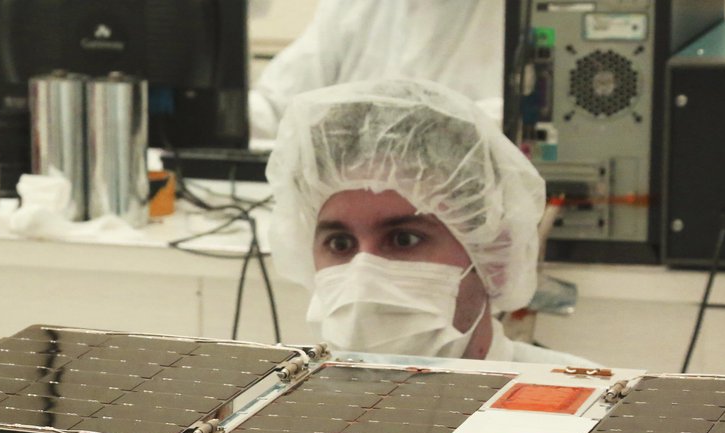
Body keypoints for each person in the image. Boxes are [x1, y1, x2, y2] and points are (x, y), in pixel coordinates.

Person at [267, 77, 595, 366]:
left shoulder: (587, 408)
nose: (363, 276)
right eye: (340, 244)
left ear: (495, 255)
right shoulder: (281, 418)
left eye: (403, 240)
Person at [249, 0, 504, 140]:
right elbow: (275, 108)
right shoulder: (354, 7)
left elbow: (517, 132)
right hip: (354, 215)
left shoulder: (518, 15)